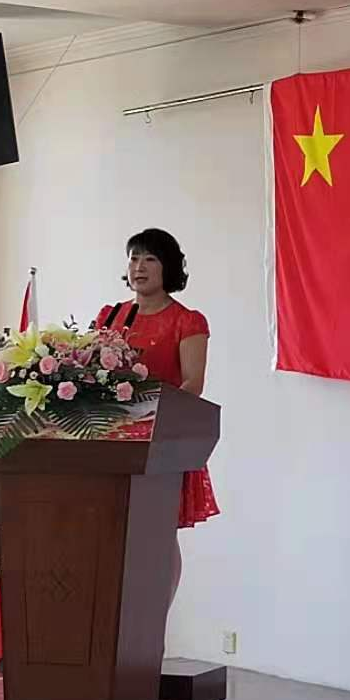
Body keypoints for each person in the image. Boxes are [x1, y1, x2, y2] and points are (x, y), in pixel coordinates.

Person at [95, 228, 218, 599]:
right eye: (134, 258)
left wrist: (151, 417)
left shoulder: (187, 321)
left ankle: (154, 617)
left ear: (169, 267)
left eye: (150, 259)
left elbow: (193, 384)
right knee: (112, 531)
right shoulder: (110, 316)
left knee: (157, 533)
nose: (139, 266)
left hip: (159, 442)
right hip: (109, 440)